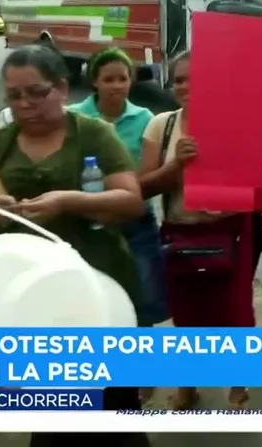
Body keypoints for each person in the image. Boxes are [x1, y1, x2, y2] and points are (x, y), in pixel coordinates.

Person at [0, 44, 150, 447]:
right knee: (52, 411)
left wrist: (69, 200)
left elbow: (129, 200)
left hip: (100, 286)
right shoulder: (0, 143)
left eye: (37, 92)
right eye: (14, 96)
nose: (25, 104)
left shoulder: (92, 133)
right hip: (33, 296)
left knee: (113, 407)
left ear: (62, 88)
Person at [138, 51, 252, 410]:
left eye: (194, 78)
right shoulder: (163, 126)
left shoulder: (237, 123)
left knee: (234, 313)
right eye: (179, 79)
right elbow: (143, 186)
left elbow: (259, 178)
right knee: (187, 315)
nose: (186, 86)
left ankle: (238, 379)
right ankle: (187, 385)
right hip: (180, 232)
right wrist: (176, 165)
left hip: (232, 229)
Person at [67, 48, 168, 334]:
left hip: (134, 219)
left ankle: (139, 362)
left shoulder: (144, 118)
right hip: (87, 218)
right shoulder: (74, 117)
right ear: (94, 82)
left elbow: (149, 171)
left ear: (130, 82)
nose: (116, 86)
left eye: (122, 79)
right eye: (108, 79)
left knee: (143, 293)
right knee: (94, 292)